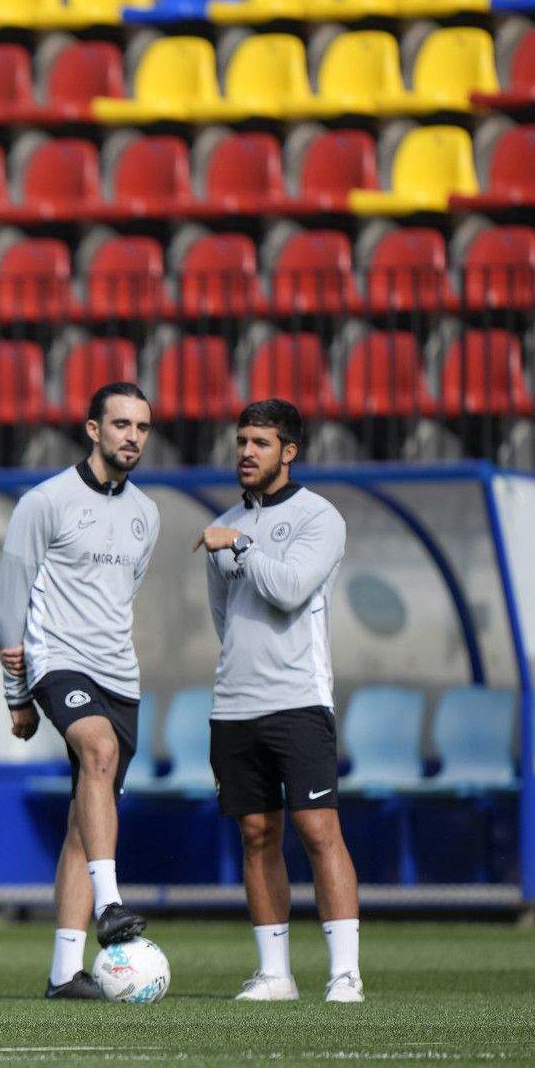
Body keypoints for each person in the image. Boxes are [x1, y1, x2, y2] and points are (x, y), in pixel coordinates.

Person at [0, 382, 161, 998]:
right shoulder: (45, 502)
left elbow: (124, 597)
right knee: (98, 751)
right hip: (57, 662)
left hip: (120, 674)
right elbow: (11, 597)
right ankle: (111, 905)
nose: (132, 437)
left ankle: (65, 972)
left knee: (83, 824)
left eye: (142, 427)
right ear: (93, 429)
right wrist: (17, 693)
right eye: (121, 424)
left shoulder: (148, 513)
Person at [195, 399, 362, 1003]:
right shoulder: (224, 522)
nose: (245, 452)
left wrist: (238, 547)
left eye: (260, 443)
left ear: (288, 452)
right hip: (234, 703)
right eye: (241, 441)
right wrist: (231, 544)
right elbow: (225, 616)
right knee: (256, 836)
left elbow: (290, 591)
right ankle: (275, 974)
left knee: (319, 830)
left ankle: (345, 973)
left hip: (299, 700)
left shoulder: (321, 517)